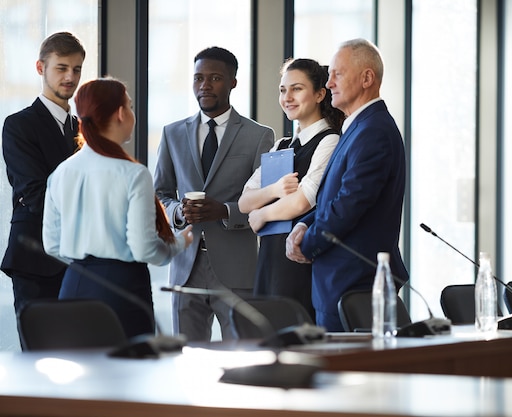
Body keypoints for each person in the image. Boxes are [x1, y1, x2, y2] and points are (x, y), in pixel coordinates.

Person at [42, 78, 193, 338]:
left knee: (82, 373)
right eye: (130, 106)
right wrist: (179, 243)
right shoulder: (133, 174)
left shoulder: (61, 172)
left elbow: (52, 245)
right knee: (127, 375)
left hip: (74, 286)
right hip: (121, 291)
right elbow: (144, 248)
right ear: (121, 114)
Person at [286, 39, 409, 331]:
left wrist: (309, 243)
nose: (328, 84)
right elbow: (335, 194)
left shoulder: (373, 131)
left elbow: (349, 205)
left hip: (355, 285)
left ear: (367, 78)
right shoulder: (358, 127)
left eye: (337, 74)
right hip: (341, 284)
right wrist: (304, 224)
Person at [154, 46, 275, 342]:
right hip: (186, 268)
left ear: (233, 81)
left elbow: (268, 199)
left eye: (215, 78)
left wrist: (226, 211)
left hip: (237, 269)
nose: (204, 85)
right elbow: (160, 193)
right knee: (187, 359)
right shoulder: (172, 133)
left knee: (244, 356)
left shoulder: (259, 135)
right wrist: (179, 213)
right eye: (198, 78)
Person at [238, 58, 344, 320]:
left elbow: (303, 201)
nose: (288, 97)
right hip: (270, 261)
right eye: (283, 90)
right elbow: (243, 202)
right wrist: (274, 189)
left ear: (320, 94)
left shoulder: (329, 140)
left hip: (299, 260)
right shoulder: (282, 145)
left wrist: (261, 215)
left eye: (297, 89)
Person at [1, 32, 85, 335]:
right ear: (41, 68)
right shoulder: (18, 124)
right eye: (61, 68)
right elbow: (34, 193)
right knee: (41, 357)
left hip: (82, 262)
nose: (70, 77)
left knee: (82, 356)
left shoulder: (83, 129)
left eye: (76, 69)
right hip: (36, 260)